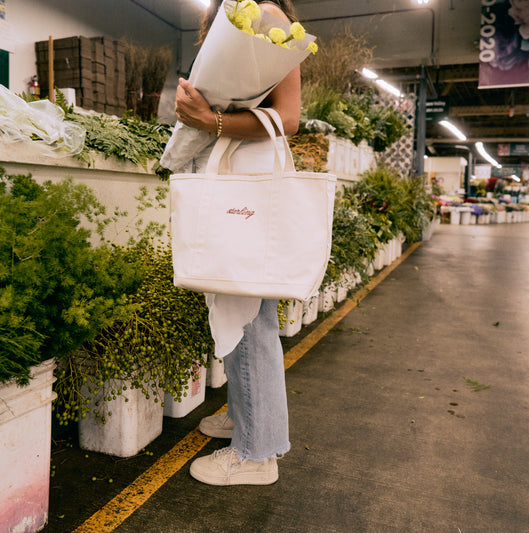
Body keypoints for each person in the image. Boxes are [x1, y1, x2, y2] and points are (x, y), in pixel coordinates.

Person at [173, 0, 301, 486]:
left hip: (248, 179)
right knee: (236, 302)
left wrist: (211, 122)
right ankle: (250, 414)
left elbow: (287, 118)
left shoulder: (268, 14)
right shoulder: (239, 13)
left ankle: (257, 452)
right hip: (238, 176)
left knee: (248, 314)